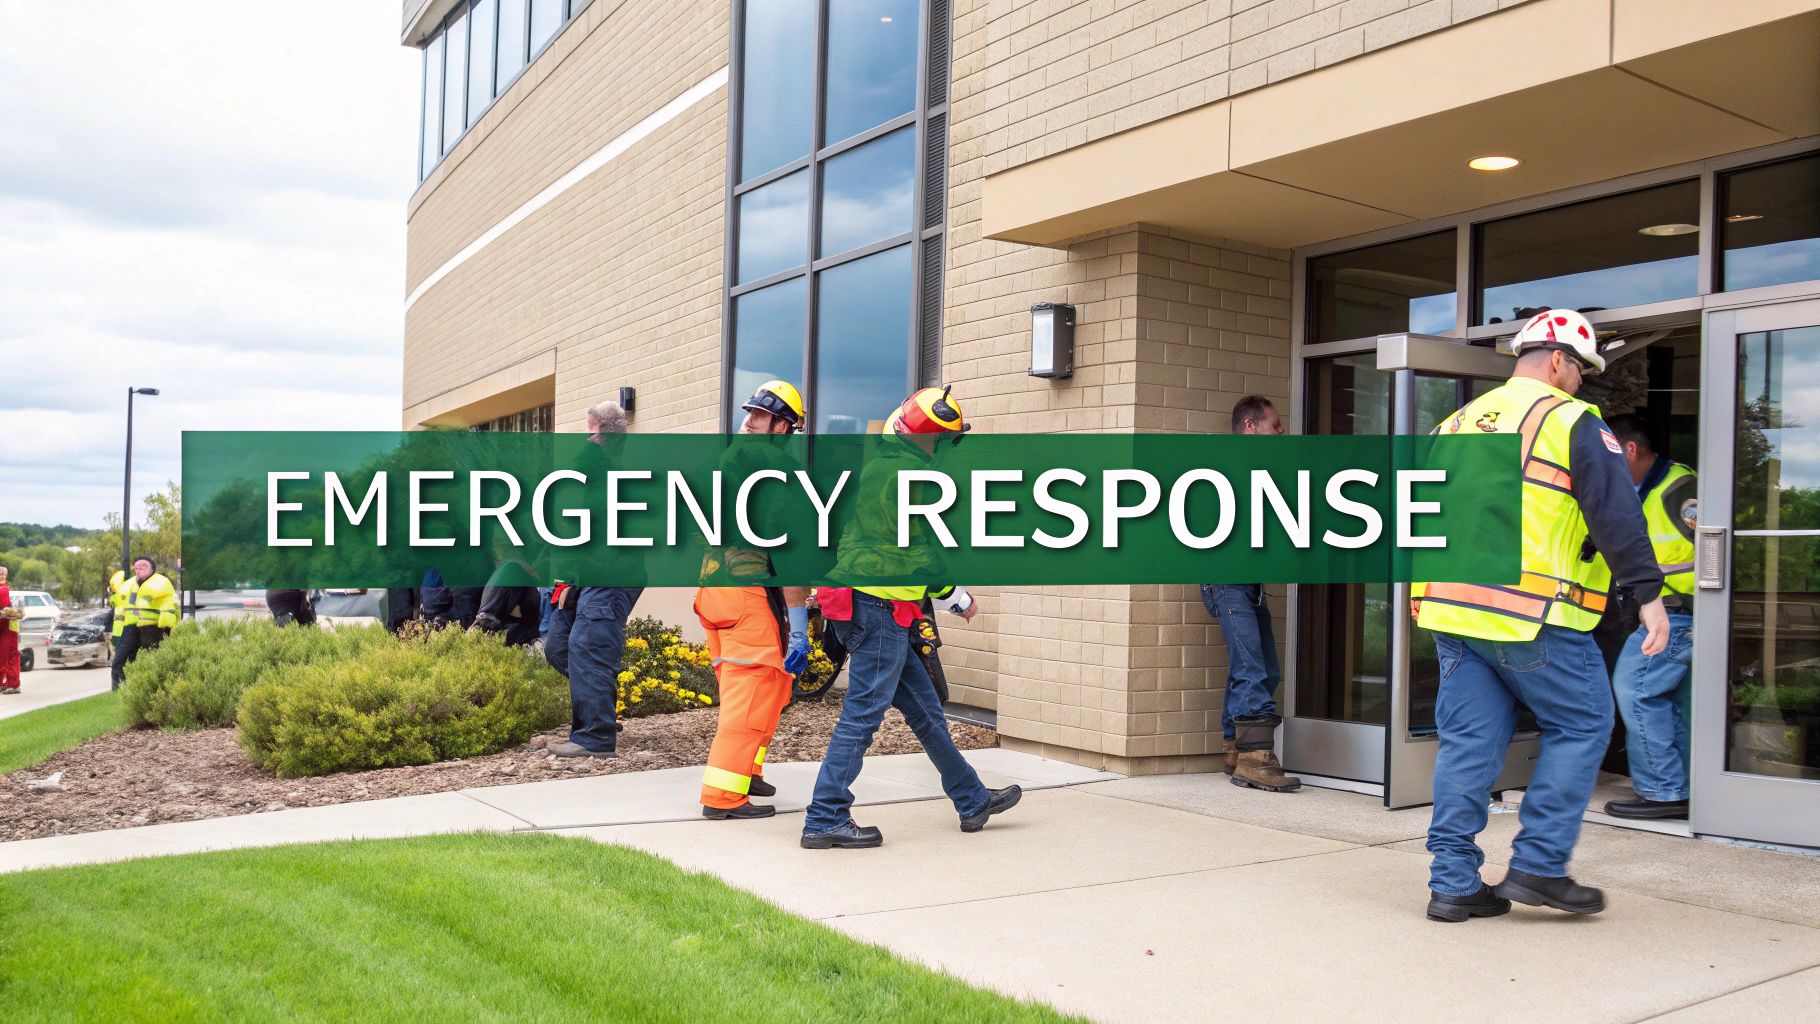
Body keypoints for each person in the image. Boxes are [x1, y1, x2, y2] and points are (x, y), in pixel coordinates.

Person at [1412, 308, 1668, 923]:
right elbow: (1615, 513)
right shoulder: (1570, 419)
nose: (1582, 381)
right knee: (1583, 722)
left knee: (1469, 744)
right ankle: (1540, 866)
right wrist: (1647, 596)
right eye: (1580, 368)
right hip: (1531, 613)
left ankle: (1451, 884)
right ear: (1557, 360)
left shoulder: (1454, 423)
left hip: (1452, 607)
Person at [802, 386, 1021, 849]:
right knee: (862, 717)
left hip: (875, 608)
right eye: (944, 439)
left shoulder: (880, 467)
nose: (945, 448)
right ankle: (825, 817)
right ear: (929, 439)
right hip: (878, 610)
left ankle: (971, 798)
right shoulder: (908, 478)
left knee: (926, 713)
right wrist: (955, 596)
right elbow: (921, 549)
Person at [696, 381, 814, 820]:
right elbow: (792, 559)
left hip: (717, 594)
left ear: (782, 425)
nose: (748, 421)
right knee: (750, 698)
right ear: (787, 429)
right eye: (752, 414)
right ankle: (724, 797)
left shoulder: (728, 465)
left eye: (758, 415)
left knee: (772, 687)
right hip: (746, 598)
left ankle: (748, 772)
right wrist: (800, 624)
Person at [1601, 415, 1697, 820]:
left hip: (1677, 613)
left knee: (1636, 689)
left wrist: (1648, 575)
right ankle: (1681, 789)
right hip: (1664, 613)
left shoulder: (1679, 487)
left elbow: (1716, 552)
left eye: (1608, 457)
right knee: (1669, 700)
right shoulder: (1641, 490)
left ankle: (1664, 791)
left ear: (1630, 450)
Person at [1202, 395, 1300, 793]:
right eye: (1275, 425)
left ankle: (1235, 750)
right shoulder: (1226, 468)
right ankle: (1258, 761)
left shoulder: (1262, 470)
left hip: (1250, 584)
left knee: (1261, 668)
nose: (1281, 432)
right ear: (1250, 427)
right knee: (1253, 669)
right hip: (1226, 580)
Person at [546, 400, 643, 758]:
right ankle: (601, 706)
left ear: (603, 432)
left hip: (611, 576)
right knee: (558, 648)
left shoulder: (610, 466)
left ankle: (595, 738)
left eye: (591, 431)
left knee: (588, 646)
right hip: (582, 577)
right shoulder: (589, 473)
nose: (585, 438)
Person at [116, 556, 180, 688]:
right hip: (131, 626)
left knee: (152, 659)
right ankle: (121, 689)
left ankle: (154, 688)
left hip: (154, 628)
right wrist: (116, 634)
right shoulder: (130, 585)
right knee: (120, 660)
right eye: (136, 568)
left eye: (143, 567)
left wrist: (167, 625)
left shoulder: (162, 583)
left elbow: (171, 604)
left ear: (153, 569)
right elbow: (120, 608)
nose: (139, 570)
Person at [0, 566, 20, 695]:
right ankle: (5, 683)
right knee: (6, 656)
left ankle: (11, 684)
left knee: (7, 656)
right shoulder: (6, 588)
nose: (2, 575)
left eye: (3, 573)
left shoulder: (3, 590)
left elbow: (4, 611)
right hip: (10, 627)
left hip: (7, 628)